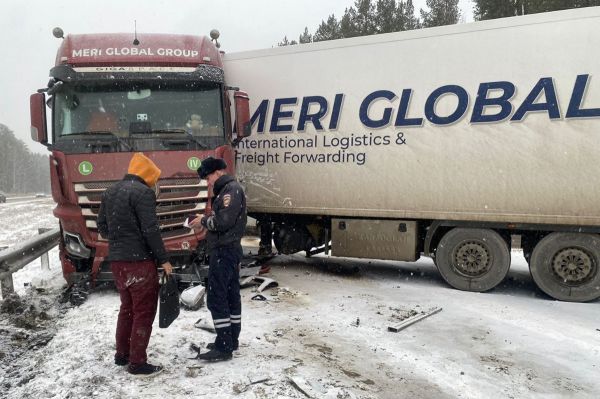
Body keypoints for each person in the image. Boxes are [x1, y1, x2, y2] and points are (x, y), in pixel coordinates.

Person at [97, 152, 174, 376]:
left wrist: (120, 239)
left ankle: (122, 355)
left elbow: (102, 225)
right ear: (147, 174)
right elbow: (151, 230)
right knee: (144, 311)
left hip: (117, 261)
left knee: (127, 309)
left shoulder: (110, 192)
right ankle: (137, 362)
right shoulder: (143, 193)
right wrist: (164, 260)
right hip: (139, 263)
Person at [190, 156, 247, 361]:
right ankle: (230, 339)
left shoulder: (230, 191)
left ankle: (224, 346)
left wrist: (203, 221)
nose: (208, 182)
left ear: (217, 172)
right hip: (229, 250)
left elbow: (224, 221)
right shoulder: (229, 190)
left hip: (224, 251)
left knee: (217, 298)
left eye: (208, 177)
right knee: (231, 296)